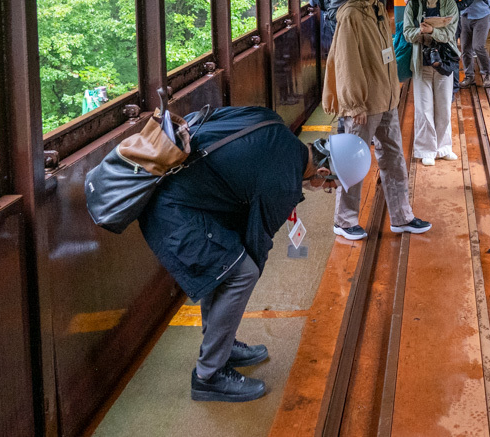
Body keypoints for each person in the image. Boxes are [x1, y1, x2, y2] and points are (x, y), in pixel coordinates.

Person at [139, 107, 360, 402]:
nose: (325, 189)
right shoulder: (284, 182)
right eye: (330, 186)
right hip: (173, 211)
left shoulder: (275, 125)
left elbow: (214, 117)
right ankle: (209, 376)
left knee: (229, 263)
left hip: (183, 193)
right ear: (322, 172)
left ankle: (222, 344)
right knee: (242, 271)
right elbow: (258, 244)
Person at [324, 0, 431, 240]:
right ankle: (344, 221)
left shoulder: (376, 10)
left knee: (394, 158)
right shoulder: (351, 16)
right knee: (354, 162)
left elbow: (387, 55)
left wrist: (393, 90)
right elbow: (346, 62)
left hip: (385, 99)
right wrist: (353, 102)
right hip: (362, 104)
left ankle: (402, 216)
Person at [403, 0, 459, 166]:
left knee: (444, 105)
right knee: (423, 107)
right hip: (422, 62)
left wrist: (431, 31)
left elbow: (449, 34)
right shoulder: (413, 6)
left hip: (444, 62)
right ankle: (426, 149)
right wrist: (420, 32)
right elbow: (407, 33)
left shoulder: (451, 5)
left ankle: (444, 147)